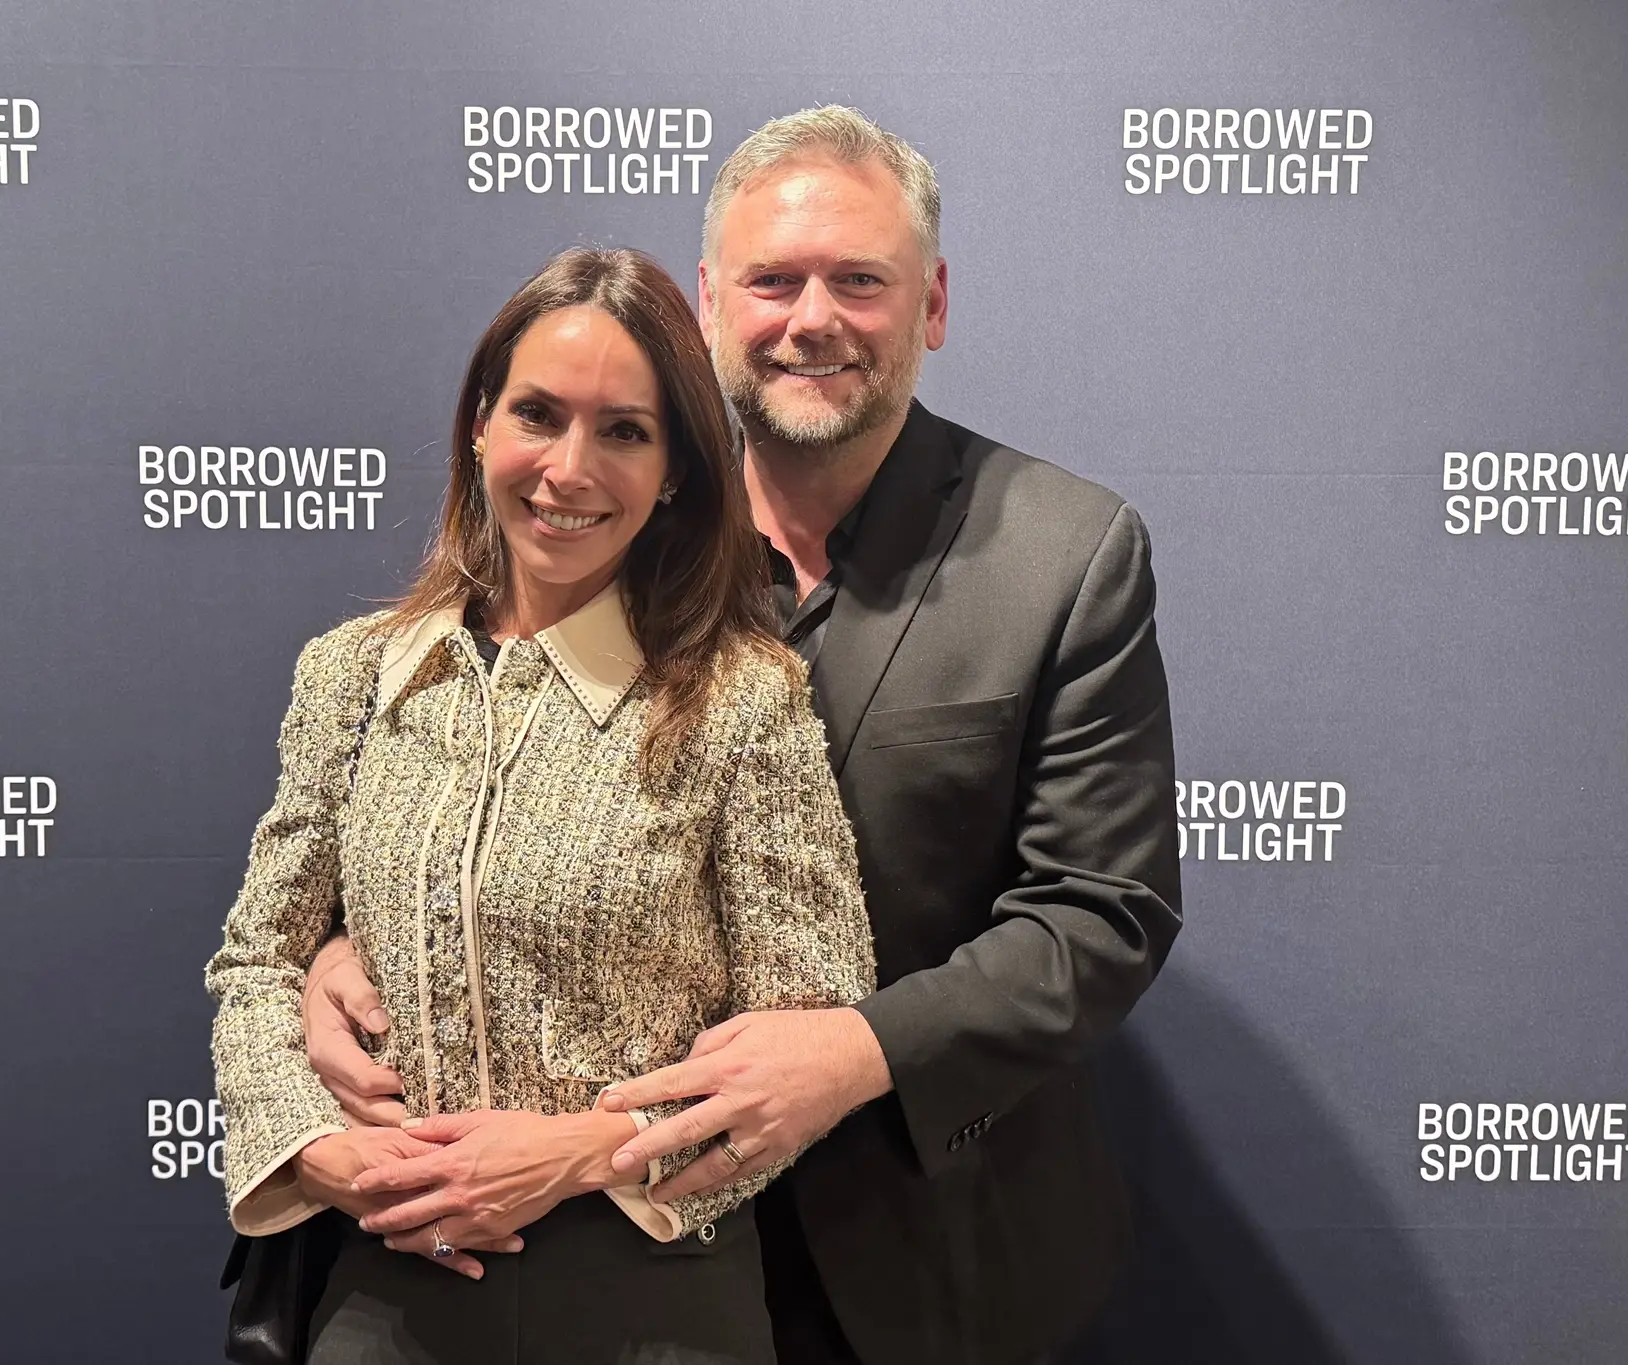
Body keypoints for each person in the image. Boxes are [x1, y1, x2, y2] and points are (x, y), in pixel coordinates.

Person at [302, 107, 1184, 1365]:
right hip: (592, 1256)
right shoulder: (602, 505)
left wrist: (856, 1050)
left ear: (930, 303)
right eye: (772, 281)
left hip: (918, 1255)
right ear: (711, 304)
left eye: (858, 282)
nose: (809, 319)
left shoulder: (1063, 553)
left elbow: (1100, 913)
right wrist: (352, 931)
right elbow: (454, 773)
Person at [205, 245, 878, 1365]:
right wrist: (317, 1155)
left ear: (672, 474)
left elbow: (806, 1034)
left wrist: (583, 1150)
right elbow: (257, 962)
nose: (568, 469)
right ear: (479, 425)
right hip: (385, 1287)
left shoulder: (739, 702)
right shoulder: (352, 676)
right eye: (537, 414)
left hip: (651, 1297)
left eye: (623, 431)